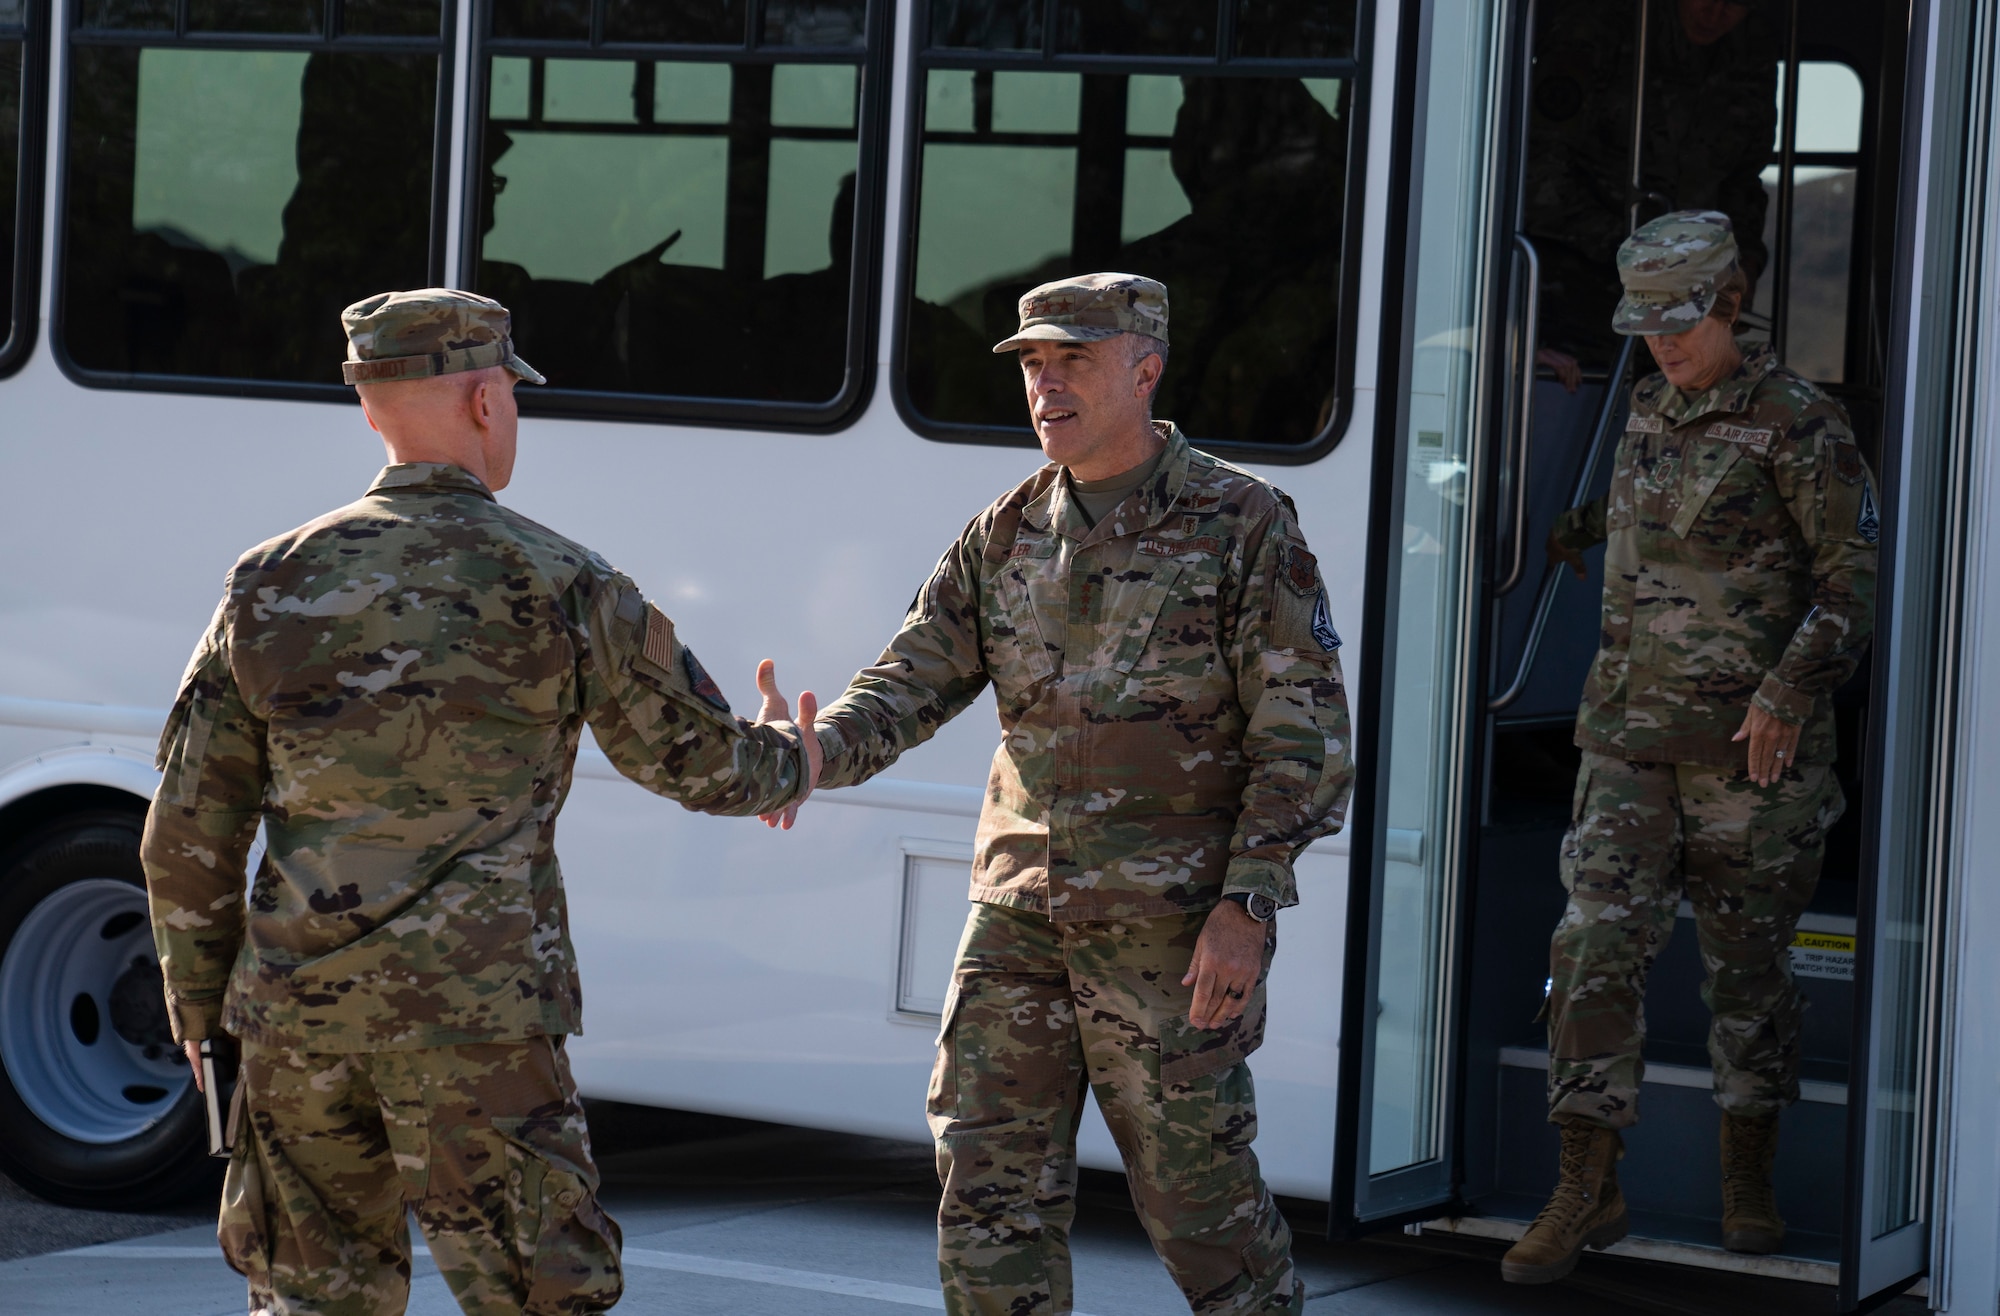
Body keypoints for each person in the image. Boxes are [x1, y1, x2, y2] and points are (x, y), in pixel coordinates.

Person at [141, 288, 823, 1316]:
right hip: (481, 1024)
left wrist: (200, 1006)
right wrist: (785, 753)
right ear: (484, 400)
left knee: (311, 1300)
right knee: (539, 1295)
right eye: (508, 391)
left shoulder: (264, 584)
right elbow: (699, 761)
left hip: (296, 1022)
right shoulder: (561, 581)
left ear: (371, 406)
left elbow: (189, 830)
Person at [807, 273, 1354, 1314]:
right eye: (1031, 365)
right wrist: (811, 753)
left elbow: (1304, 734)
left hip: (1172, 926)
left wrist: (1248, 901)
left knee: (1202, 1210)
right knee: (987, 1194)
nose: (1044, 385)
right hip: (1017, 917)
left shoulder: (1240, 523)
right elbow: (908, 681)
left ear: (1144, 368)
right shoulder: (1004, 530)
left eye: (1072, 361)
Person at [1503, 212, 1879, 1284]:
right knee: (1586, 952)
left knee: (1747, 972)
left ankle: (1745, 1175)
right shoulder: (1642, 411)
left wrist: (1782, 692)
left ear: (1725, 301)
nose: (1661, 345)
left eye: (1677, 322)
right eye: (1645, 325)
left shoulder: (1800, 424)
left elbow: (1849, 586)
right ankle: (1585, 1179)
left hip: (1748, 754)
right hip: (1626, 737)